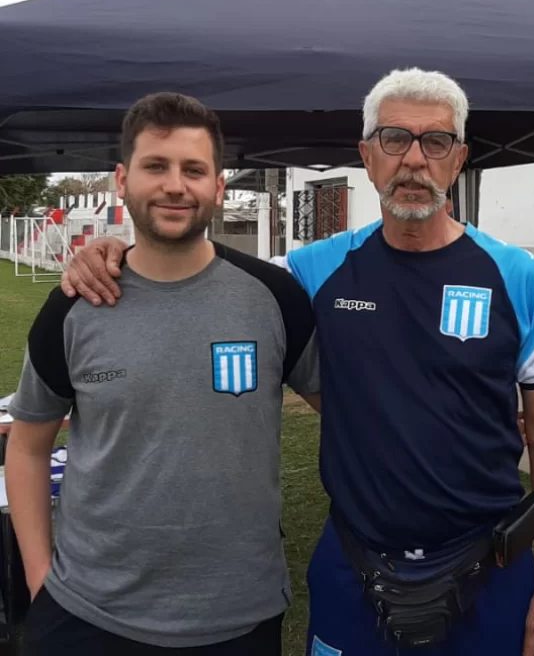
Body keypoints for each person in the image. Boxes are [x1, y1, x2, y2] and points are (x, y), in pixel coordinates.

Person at [60, 68, 534, 656]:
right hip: (354, 565)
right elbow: (200, 265)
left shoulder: (518, 277)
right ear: (366, 156)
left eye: (435, 142)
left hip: (489, 568)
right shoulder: (310, 274)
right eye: (393, 139)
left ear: (457, 160)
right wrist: (115, 249)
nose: (413, 160)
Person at [7, 92, 320, 656]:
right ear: (122, 179)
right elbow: (28, 448)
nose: (176, 185)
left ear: (218, 187)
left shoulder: (274, 298)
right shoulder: (75, 304)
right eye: (157, 166)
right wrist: (40, 583)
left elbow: (351, 414)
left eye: (194, 170)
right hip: (86, 615)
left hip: (238, 618)